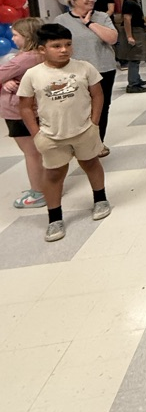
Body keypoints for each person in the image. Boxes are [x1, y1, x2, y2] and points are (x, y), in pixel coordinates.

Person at [17, 22, 111, 243]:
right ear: (42, 49)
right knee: (54, 174)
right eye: (56, 46)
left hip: (84, 130)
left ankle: (100, 198)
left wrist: (94, 122)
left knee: (91, 163)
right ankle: (54, 217)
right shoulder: (33, 75)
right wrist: (36, 133)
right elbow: (25, 106)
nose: (64, 50)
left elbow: (98, 95)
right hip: (51, 135)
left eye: (68, 44)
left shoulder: (84, 68)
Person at [57, 0, 119, 156]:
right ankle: (77, 143)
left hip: (102, 69)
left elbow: (112, 38)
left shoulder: (102, 17)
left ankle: (97, 143)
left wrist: (90, 23)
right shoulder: (61, 21)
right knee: (76, 106)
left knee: (101, 106)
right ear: (73, 0)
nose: (91, 0)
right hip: (73, 71)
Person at [1, 17, 45, 208]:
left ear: (27, 37)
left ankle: (38, 192)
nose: (14, 39)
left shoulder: (22, 60)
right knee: (38, 150)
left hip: (17, 111)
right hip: (36, 109)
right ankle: (45, 186)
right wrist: (5, 81)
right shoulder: (42, 55)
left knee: (31, 153)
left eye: (16, 35)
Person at [117, 0, 146, 92]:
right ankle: (133, 84)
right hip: (134, 32)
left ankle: (136, 78)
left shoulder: (132, 2)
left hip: (137, 30)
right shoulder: (129, 3)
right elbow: (126, 19)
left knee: (137, 57)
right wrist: (129, 36)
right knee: (134, 58)